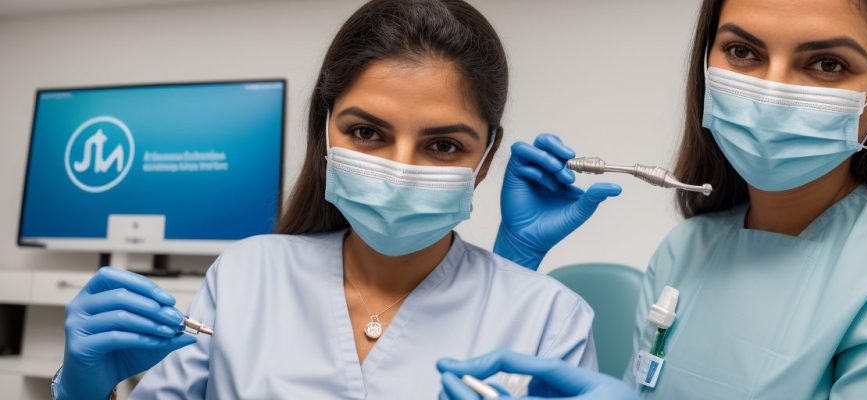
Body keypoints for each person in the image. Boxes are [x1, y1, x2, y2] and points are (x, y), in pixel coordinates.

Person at [52, 1, 612, 399]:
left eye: (443, 145)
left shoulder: (550, 319)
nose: (398, 169)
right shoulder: (247, 276)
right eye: (367, 132)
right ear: (325, 132)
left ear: (486, 158)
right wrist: (87, 391)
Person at [439, 0, 867, 398]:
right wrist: (517, 258)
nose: (772, 90)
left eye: (827, 64)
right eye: (743, 52)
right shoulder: (686, 250)